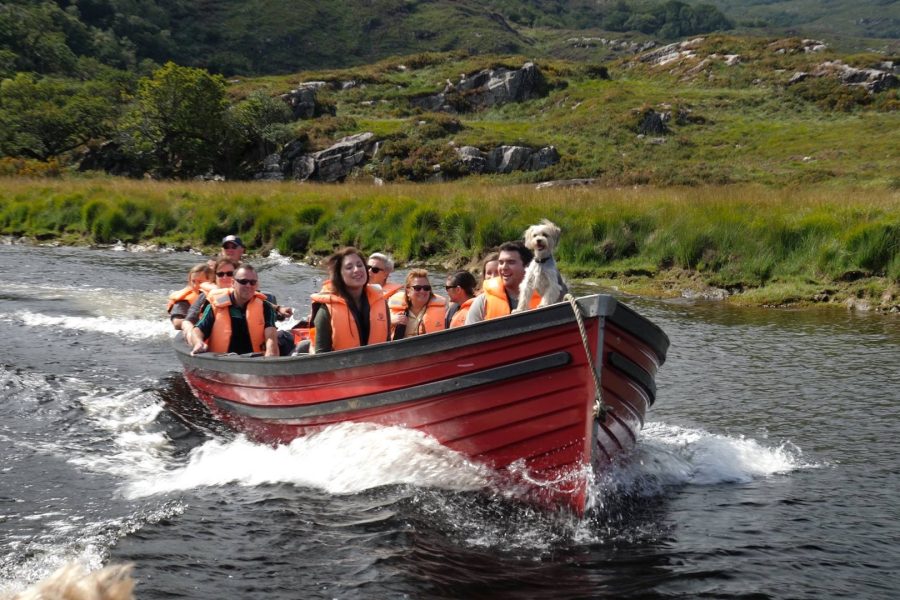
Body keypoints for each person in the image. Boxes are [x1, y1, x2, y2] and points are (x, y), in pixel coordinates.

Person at [309, 247, 390, 353]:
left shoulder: (382, 303)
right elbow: (321, 357)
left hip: (377, 367)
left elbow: (389, 345)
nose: (357, 270)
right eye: (349, 267)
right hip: (341, 368)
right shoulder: (325, 311)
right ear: (339, 275)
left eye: (360, 265)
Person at [189, 264, 279, 356]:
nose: (248, 285)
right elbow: (198, 330)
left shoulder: (266, 307)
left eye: (252, 282)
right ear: (233, 283)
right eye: (243, 281)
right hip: (222, 360)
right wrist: (198, 342)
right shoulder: (216, 305)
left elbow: (271, 336)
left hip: (255, 362)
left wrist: (269, 359)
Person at [465, 241, 541, 324]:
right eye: (501, 262)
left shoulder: (548, 296)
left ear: (528, 266)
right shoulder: (483, 302)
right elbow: (469, 336)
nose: (504, 267)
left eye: (511, 262)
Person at [180, 257, 238, 345]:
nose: (225, 277)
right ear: (215, 277)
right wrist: (194, 338)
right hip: (213, 350)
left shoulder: (248, 294)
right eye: (220, 274)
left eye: (230, 273)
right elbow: (188, 321)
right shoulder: (205, 296)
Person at [388, 269, 447, 339]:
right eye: (417, 288)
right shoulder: (391, 311)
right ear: (408, 291)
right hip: (400, 348)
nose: (422, 291)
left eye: (426, 288)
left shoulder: (444, 309)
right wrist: (390, 322)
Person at [167, 263, 214, 330]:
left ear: (211, 281)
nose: (195, 285)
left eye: (200, 282)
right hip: (187, 330)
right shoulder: (184, 299)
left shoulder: (218, 293)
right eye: (193, 281)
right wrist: (203, 323)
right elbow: (176, 323)